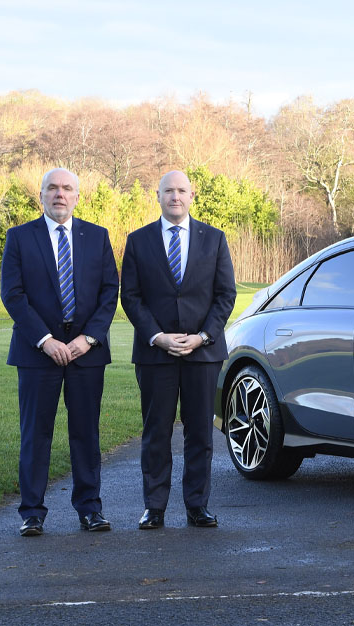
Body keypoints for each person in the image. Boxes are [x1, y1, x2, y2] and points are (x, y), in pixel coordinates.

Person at [0, 168, 119, 536]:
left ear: (78, 196)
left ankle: (89, 509)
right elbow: (13, 295)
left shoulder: (97, 237)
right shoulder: (19, 237)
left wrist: (88, 339)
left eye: (67, 188)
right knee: (36, 434)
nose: (60, 194)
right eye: (52, 188)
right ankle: (32, 513)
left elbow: (108, 292)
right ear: (41, 195)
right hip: (37, 354)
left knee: (86, 433)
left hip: (87, 353)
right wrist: (45, 340)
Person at [120, 170, 236, 530]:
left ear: (192, 195)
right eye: (168, 191)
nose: (175, 196)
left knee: (200, 432)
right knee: (156, 431)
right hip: (156, 353)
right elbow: (132, 297)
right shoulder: (138, 241)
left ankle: (196, 506)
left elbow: (225, 295)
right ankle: (154, 507)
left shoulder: (214, 239)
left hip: (203, 353)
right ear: (157, 196)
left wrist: (203, 336)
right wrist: (158, 336)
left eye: (181, 190)